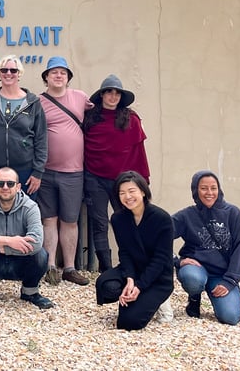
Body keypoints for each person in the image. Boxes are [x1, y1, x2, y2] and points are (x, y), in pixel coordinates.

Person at [83, 74, 150, 272]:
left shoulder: (131, 119)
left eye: (117, 93)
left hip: (123, 181)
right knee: (100, 223)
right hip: (95, 177)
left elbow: (139, 151)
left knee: (126, 221)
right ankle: (106, 268)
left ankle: (129, 264)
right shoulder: (90, 119)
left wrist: (142, 180)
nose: (113, 96)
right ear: (102, 95)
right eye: (109, 92)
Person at [0, 167, 54, 309]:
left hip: (21, 261)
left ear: (18, 187)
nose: (5, 187)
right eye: (0, 184)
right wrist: (8, 241)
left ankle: (30, 292)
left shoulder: (30, 207)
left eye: (10, 184)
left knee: (41, 254)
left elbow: (36, 242)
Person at [37, 56, 92, 286]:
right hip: (46, 170)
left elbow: (101, 114)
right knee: (48, 220)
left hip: (74, 172)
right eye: (54, 72)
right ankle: (49, 266)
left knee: (70, 220)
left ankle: (69, 267)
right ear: (46, 77)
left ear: (68, 77)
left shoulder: (80, 98)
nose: (58, 76)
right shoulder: (37, 101)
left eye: (63, 72)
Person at [95, 171, 173, 331]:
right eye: (122, 193)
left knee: (129, 323)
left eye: (132, 191)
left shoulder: (162, 219)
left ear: (143, 191)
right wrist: (130, 280)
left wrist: (139, 287)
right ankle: (134, 296)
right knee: (106, 286)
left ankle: (161, 301)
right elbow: (124, 252)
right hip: (134, 269)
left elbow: (160, 259)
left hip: (158, 275)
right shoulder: (118, 219)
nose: (127, 197)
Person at [172, 171, 240, 325]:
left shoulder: (233, 213)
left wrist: (230, 281)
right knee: (193, 279)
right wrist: (177, 261)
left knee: (231, 318)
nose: (209, 193)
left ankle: (237, 291)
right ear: (195, 190)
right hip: (196, 269)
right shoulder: (187, 215)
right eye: (204, 188)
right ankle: (194, 298)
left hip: (222, 274)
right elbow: (159, 236)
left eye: (213, 188)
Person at [0, 56, 47, 199]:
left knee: (24, 215)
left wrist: (38, 172)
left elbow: (41, 139)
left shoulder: (33, 103)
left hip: (25, 171)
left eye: (13, 70)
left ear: (19, 74)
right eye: (4, 70)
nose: (8, 73)